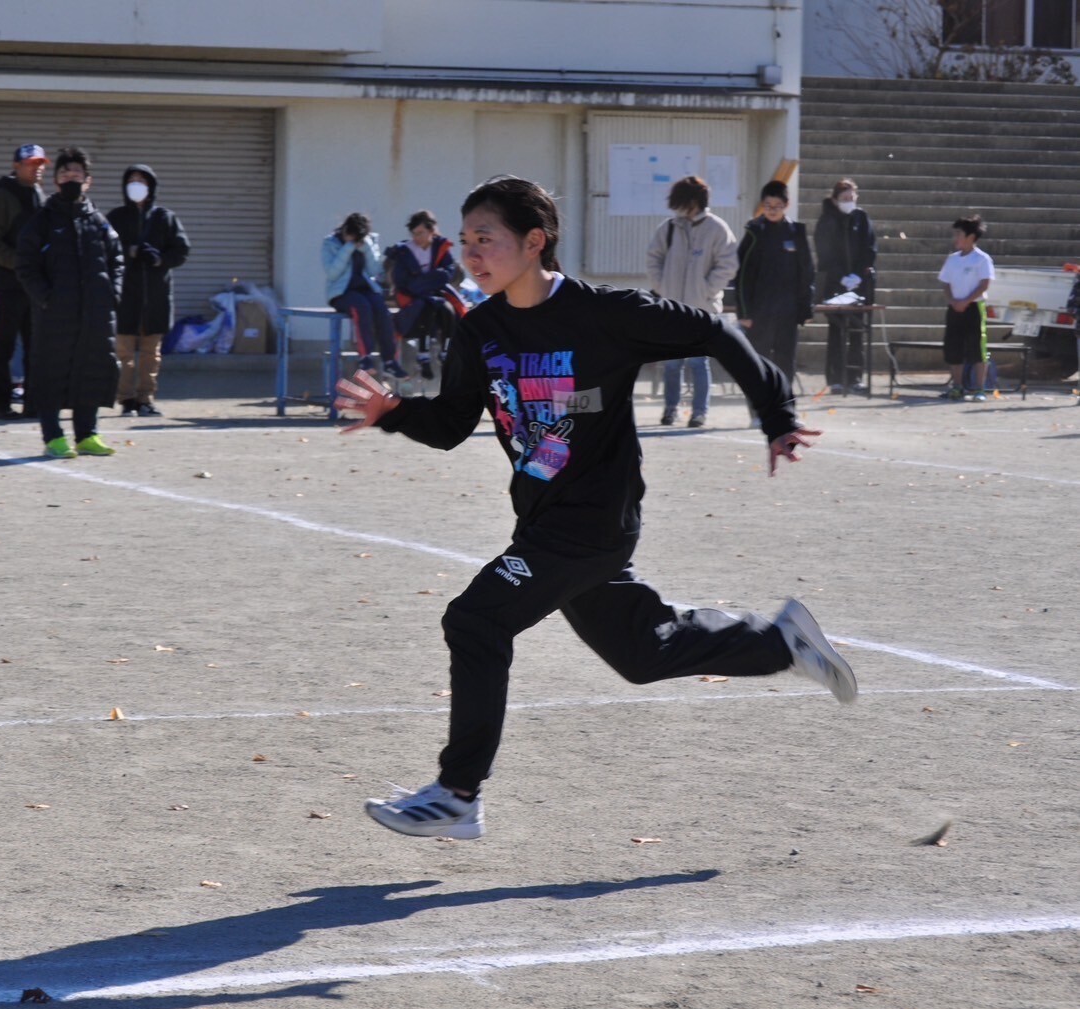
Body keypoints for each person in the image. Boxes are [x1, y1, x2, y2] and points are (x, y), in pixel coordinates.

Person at [334, 175, 857, 841]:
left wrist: (775, 413)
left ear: (534, 242)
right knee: (642, 652)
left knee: (475, 619)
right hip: (544, 519)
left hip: (593, 520)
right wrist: (393, 413)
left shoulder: (605, 313)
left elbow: (716, 332)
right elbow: (449, 424)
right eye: (464, 241)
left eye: (485, 238)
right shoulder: (481, 330)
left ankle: (458, 794)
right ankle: (778, 641)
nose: (470, 253)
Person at [14, 146, 124, 458]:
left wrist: (112, 294)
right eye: (64, 173)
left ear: (88, 180)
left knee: (92, 368)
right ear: (56, 180)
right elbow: (25, 265)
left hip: (96, 314)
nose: (70, 177)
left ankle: (87, 434)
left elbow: (117, 261)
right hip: (55, 315)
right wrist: (46, 298)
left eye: (77, 172)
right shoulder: (42, 221)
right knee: (51, 371)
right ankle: (53, 436)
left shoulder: (99, 222)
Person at [645, 175, 739, 427]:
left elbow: (728, 264)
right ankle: (670, 409)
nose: (679, 208)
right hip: (671, 308)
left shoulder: (717, 228)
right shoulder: (668, 228)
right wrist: (662, 287)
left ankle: (699, 412)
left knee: (698, 362)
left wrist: (708, 290)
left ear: (695, 201)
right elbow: (653, 258)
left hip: (702, 308)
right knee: (671, 363)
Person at [106, 163, 191, 418]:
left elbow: (181, 250)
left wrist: (159, 259)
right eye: (131, 180)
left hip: (155, 297)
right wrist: (129, 252)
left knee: (150, 354)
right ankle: (126, 399)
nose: (136, 185)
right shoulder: (116, 218)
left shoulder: (165, 218)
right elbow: (103, 249)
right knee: (123, 353)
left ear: (151, 186)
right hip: (125, 296)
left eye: (141, 181)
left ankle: (146, 399)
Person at [0, 143, 47, 421]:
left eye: (40, 164)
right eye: (30, 163)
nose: (36, 169)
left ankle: (33, 403)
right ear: (16, 166)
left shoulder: (40, 194)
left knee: (35, 346)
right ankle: (1, 404)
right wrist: (17, 262)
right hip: (7, 284)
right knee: (3, 346)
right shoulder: (4, 195)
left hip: (34, 285)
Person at [732, 180, 814, 386]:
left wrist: (805, 307)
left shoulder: (796, 233)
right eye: (768, 206)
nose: (772, 210)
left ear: (786, 205)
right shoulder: (754, 232)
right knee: (758, 362)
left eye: (777, 206)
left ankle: (784, 403)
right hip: (759, 312)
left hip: (788, 312)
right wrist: (744, 313)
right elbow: (742, 276)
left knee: (785, 362)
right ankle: (759, 404)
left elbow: (806, 272)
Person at [814, 179, 878, 395]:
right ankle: (836, 378)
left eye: (852, 197)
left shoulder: (862, 218)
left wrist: (858, 275)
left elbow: (870, 248)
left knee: (857, 332)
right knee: (837, 330)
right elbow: (824, 253)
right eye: (844, 198)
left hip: (858, 284)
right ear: (835, 200)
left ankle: (855, 377)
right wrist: (841, 277)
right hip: (835, 284)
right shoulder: (827, 220)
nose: (849, 201)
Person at [322, 212, 406, 378]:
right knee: (362, 307)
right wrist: (348, 248)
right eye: (350, 235)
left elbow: (376, 271)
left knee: (381, 309)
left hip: (365, 289)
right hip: (341, 293)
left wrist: (366, 248)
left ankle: (390, 361)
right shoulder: (330, 243)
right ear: (345, 230)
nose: (353, 239)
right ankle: (365, 357)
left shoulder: (369, 241)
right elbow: (332, 274)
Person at [385, 210, 461, 381]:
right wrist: (431, 281)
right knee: (426, 309)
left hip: (435, 295)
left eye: (420, 233)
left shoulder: (441, 247)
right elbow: (403, 281)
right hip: (411, 298)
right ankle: (423, 354)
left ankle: (445, 351)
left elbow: (447, 273)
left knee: (449, 311)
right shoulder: (404, 251)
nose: (416, 237)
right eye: (414, 233)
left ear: (431, 231)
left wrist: (422, 282)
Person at [937, 214, 995, 402]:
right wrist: (953, 301)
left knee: (977, 347)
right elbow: (945, 282)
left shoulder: (982, 259)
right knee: (953, 347)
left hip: (974, 308)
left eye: (959, 234)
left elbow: (984, 284)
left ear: (971, 237)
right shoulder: (952, 259)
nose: (955, 238)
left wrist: (966, 301)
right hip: (954, 308)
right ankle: (957, 386)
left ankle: (980, 389)